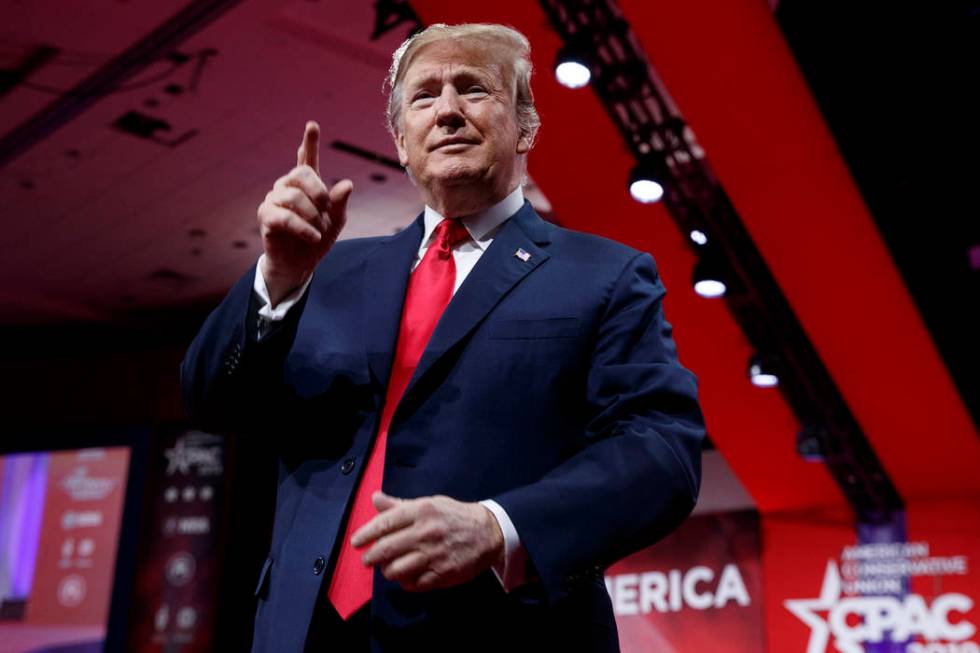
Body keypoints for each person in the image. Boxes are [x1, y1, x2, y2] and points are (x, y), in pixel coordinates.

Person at [181, 22, 704, 653]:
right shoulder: (326, 270)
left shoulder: (605, 276)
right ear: (402, 142)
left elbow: (661, 452)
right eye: (425, 96)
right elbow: (210, 400)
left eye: (473, 89)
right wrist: (278, 278)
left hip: (500, 632)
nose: (448, 110)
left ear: (527, 126)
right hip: (306, 634)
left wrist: (499, 527)